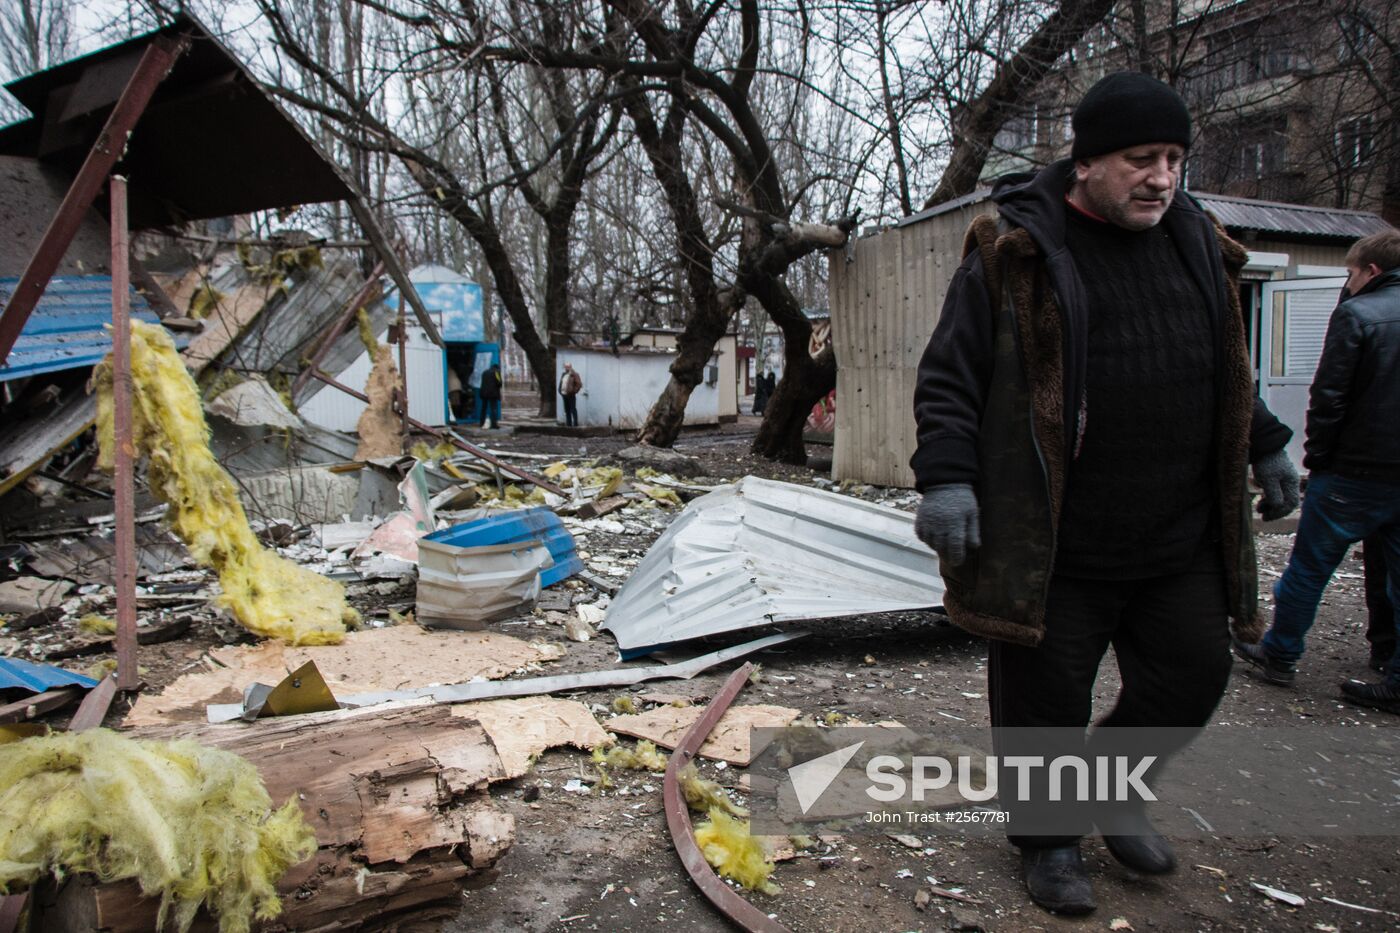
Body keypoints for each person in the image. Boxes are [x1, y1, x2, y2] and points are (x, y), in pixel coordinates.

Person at [910, 71, 1299, 915]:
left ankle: (1110, 786)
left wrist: (1265, 442)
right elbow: (949, 378)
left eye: (1174, 158)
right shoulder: (1014, 249)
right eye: (1140, 158)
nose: (1162, 176)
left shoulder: (1197, 238)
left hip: (1177, 534)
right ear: (1086, 163)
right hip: (1056, 540)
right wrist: (945, 478)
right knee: (1044, 702)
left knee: (1193, 675)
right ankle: (1049, 838)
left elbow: (1223, 361)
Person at [1234, 230, 1400, 713]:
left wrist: (1318, 459)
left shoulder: (1358, 314)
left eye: (1349, 273)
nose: (1346, 283)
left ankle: (1280, 654)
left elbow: (1329, 398)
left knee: (1308, 567)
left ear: (1370, 270)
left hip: (1354, 474)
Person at [478, 362, 503, 430]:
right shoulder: (496, 372)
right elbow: (499, 383)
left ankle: (481, 423)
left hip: (484, 393)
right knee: (493, 408)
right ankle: (494, 424)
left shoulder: (485, 372)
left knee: (484, 408)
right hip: (493, 393)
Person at [559, 362, 583, 427]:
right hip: (564, 394)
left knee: (573, 409)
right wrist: (560, 391)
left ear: (571, 367)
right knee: (567, 410)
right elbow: (561, 383)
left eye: (568, 367)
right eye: (565, 367)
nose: (566, 368)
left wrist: (573, 391)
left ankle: (575, 424)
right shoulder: (563, 374)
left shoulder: (574, 374)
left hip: (571, 395)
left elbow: (579, 384)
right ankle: (568, 424)